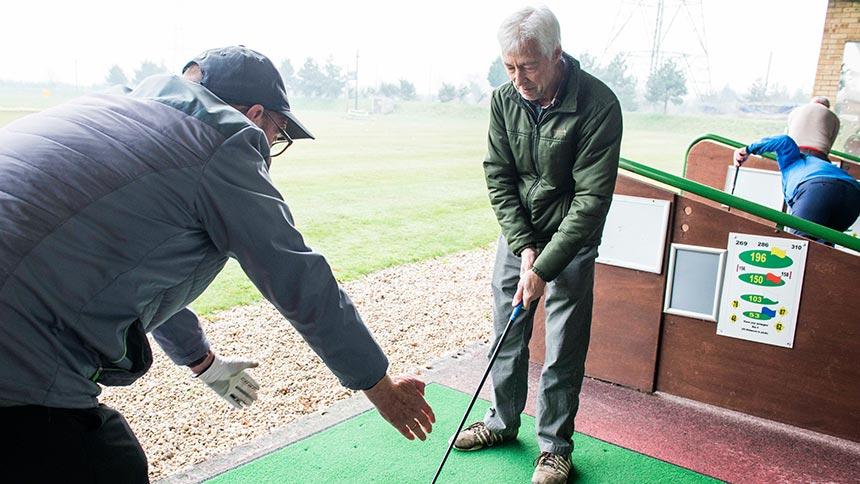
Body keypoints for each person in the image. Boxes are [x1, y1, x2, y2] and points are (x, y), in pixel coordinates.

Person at [0, 46, 434, 483]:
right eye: (277, 134)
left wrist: (203, 362)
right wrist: (381, 387)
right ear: (257, 114)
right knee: (107, 464)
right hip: (19, 348)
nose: (271, 149)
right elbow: (299, 279)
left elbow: (134, 276)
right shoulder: (224, 138)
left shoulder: (119, 108)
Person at [453, 7, 622, 484]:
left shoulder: (599, 104)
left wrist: (544, 266)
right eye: (509, 66)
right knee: (506, 329)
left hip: (573, 236)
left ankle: (554, 449)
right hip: (521, 232)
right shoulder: (504, 99)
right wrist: (524, 245)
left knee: (564, 344)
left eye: (527, 65)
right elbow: (499, 176)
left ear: (556, 54)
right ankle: (502, 423)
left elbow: (591, 200)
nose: (517, 77)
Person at [734, 97, 860, 239]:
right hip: (853, 194)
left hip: (818, 188)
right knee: (824, 248)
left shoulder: (792, 158)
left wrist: (747, 149)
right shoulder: (823, 163)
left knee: (796, 245)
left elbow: (784, 140)